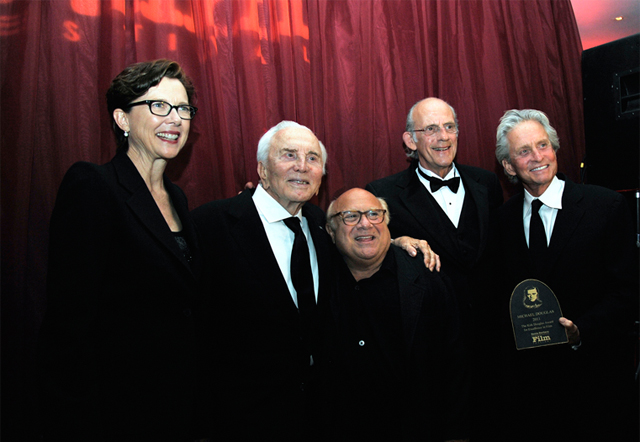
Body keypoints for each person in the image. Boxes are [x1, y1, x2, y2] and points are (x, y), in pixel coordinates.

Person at [192, 121, 437, 440]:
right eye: (289, 155)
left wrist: (395, 243)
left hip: (319, 418)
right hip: (239, 420)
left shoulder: (323, 229)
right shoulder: (211, 226)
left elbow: (361, 246)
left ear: (321, 177)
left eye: (312, 158)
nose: (301, 166)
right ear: (262, 169)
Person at [37, 60, 210, 441]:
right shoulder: (93, 186)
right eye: (158, 106)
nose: (176, 119)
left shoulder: (178, 198)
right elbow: (69, 324)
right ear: (122, 119)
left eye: (183, 109)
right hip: (115, 412)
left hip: (176, 408)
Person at [494, 109, 639, 441]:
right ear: (508, 166)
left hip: (596, 382)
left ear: (555, 149)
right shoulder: (502, 221)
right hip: (533, 393)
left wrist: (581, 332)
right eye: (524, 151)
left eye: (543, 145)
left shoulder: (605, 206)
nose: (537, 157)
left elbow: (629, 292)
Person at [365, 97, 503, 439]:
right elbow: (360, 255)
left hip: (491, 343)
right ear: (411, 140)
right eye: (431, 129)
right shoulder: (383, 194)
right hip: (429, 351)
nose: (443, 137)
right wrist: (393, 243)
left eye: (449, 127)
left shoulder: (486, 183)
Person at [322, 188, 469, 441]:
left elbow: (454, 363)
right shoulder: (317, 279)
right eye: (350, 216)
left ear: (388, 224)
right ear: (330, 230)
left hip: (415, 429)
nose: (365, 223)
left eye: (374, 214)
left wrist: (456, 434)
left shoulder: (428, 279)